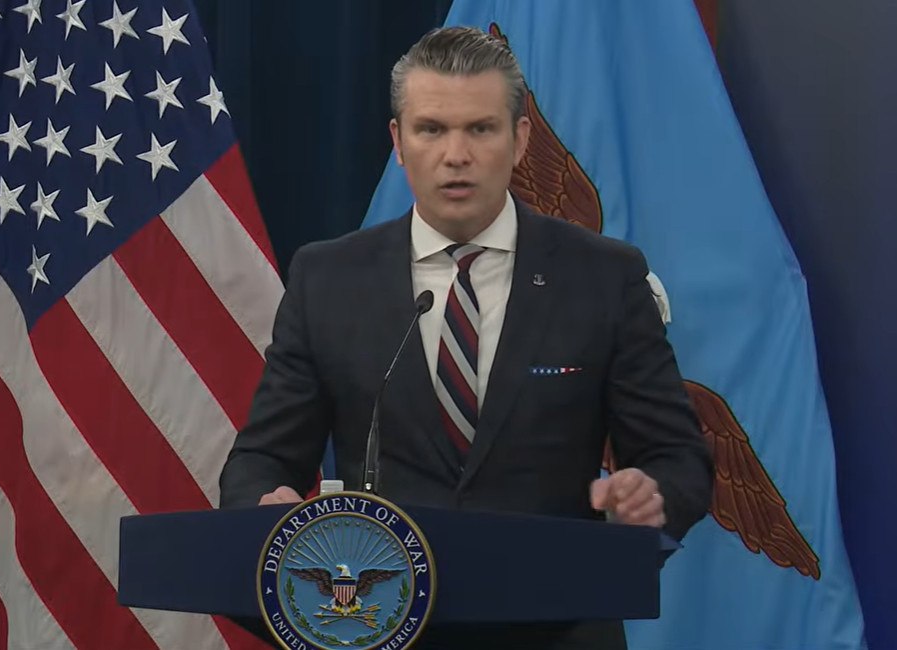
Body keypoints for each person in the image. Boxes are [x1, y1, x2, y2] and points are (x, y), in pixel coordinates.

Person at [219, 25, 713, 649]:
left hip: (558, 629)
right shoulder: (329, 279)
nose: (456, 154)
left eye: (481, 129)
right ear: (398, 142)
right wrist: (265, 510)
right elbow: (262, 458)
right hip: (380, 626)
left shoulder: (603, 278)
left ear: (520, 140)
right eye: (431, 129)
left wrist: (649, 498)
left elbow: (678, 457)